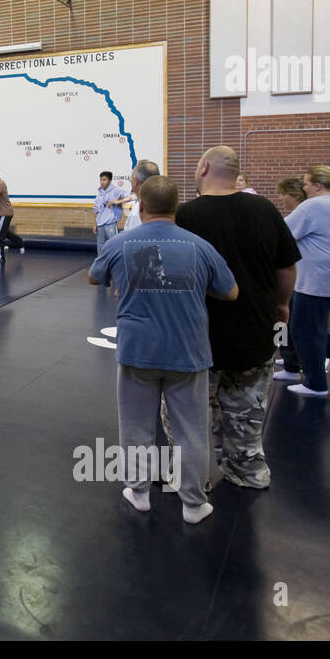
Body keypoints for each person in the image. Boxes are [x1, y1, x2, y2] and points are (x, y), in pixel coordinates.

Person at [89, 176, 238, 524]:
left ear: (141, 206)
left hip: (138, 350)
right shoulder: (200, 246)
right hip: (187, 352)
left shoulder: (122, 242)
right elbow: (230, 292)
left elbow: (94, 277)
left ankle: (138, 492)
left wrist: (127, 282)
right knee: (191, 429)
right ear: (178, 209)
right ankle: (193, 503)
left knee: (136, 426)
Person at [178, 146, 299, 490]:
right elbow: (287, 266)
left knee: (189, 412)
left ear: (203, 168)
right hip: (255, 331)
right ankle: (248, 472)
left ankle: (192, 479)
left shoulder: (186, 216)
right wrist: (282, 305)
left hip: (200, 337)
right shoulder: (265, 210)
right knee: (247, 412)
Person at [276, 165, 330, 398]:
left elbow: (283, 232)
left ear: (317, 186)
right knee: (306, 321)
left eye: (306, 183)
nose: (303, 187)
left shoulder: (314, 205)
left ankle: (316, 383)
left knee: (304, 328)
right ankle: (321, 357)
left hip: (318, 275)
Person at [112, 159, 159, 231]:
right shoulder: (159, 203)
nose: (130, 180)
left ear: (136, 182)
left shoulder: (142, 210)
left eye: (131, 178)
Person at [93, 170, 125, 252]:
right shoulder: (99, 194)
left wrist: (116, 201)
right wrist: (95, 224)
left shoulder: (115, 190)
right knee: (100, 249)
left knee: (114, 247)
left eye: (104, 180)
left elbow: (129, 196)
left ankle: (115, 264)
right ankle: (102, 264)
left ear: (110, 181)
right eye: (101, 180)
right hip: (100, 225)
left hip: (110, 224)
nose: (102, 182)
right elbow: (97, 211)